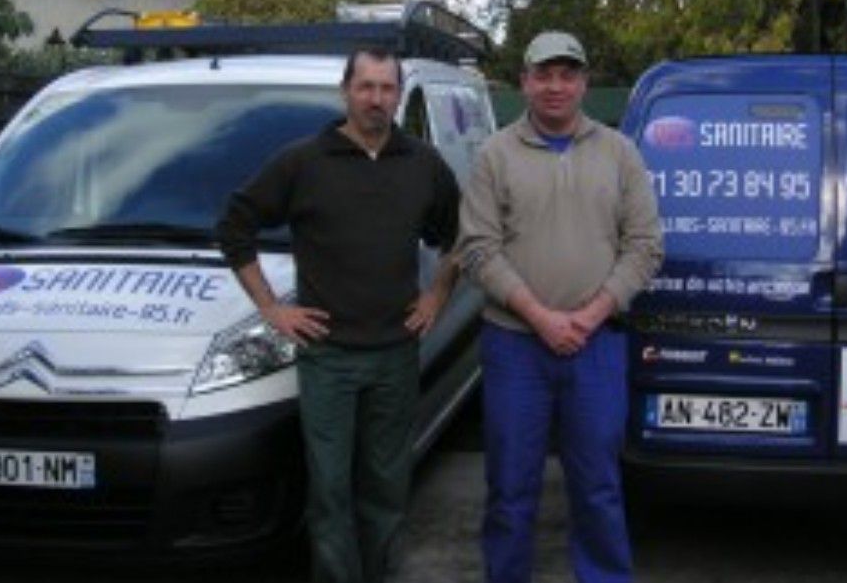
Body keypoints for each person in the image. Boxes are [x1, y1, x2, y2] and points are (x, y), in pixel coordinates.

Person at [216, 47, 460, 583]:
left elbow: (462, 235)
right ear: (345, 91)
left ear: (398, 95)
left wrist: (436, 296)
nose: (376, 99)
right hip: (328, 358)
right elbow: (235, 226)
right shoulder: (303, 162)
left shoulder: (423, 164)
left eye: (387, 88)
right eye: (365, 86)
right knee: (329, 491)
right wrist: (271, 308)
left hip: (395, 355)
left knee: (386, 489)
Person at [457, 31, 664, 583]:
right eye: (543, 75)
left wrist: (589, 315)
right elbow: (478, 249)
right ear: (524, 82)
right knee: (509, 485)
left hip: (597, 345)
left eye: (566, 75)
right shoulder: (494, 154)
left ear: (584, 83)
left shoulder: (620, 153)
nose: (555, 86)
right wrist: (541, 317)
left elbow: (645, 246)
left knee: (598, 484)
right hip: (514, 347)